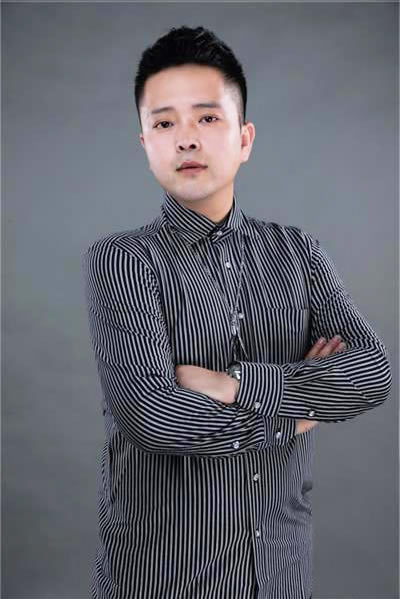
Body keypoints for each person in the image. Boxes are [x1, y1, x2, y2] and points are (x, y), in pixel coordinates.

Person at [82, 25, 392, 599]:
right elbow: (153, 418)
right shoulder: (122, 260)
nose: (186, 140)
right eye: (164, 124)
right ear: (145, 144)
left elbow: (371, 374)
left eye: (207, 117)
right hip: (164, 579)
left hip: (281, 573)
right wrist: (293, 413)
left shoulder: (297, 252)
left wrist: (234, 385)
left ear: (244, 138)